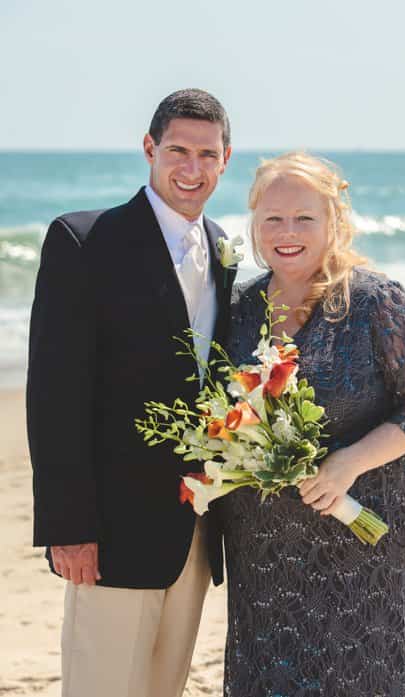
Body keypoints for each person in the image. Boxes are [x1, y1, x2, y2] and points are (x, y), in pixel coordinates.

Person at [26, 88, 236, 697]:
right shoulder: (83, 241)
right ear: (149, 148)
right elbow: (54, 395)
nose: (192, 169)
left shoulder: (223, 248)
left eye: (207, 154)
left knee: (164, 686)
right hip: (111, 531)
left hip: (194, 530)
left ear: (225, 159)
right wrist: (68, 527)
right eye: (178, 151)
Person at [220, 151, 405, 696]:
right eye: (273, 218)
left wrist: (349, 463)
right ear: (254, 223)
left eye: (304, 218)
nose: (287, 232)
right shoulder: (239, 307)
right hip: (265, 551)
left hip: (358, 538)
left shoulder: (374, 302)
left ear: (334, 222)